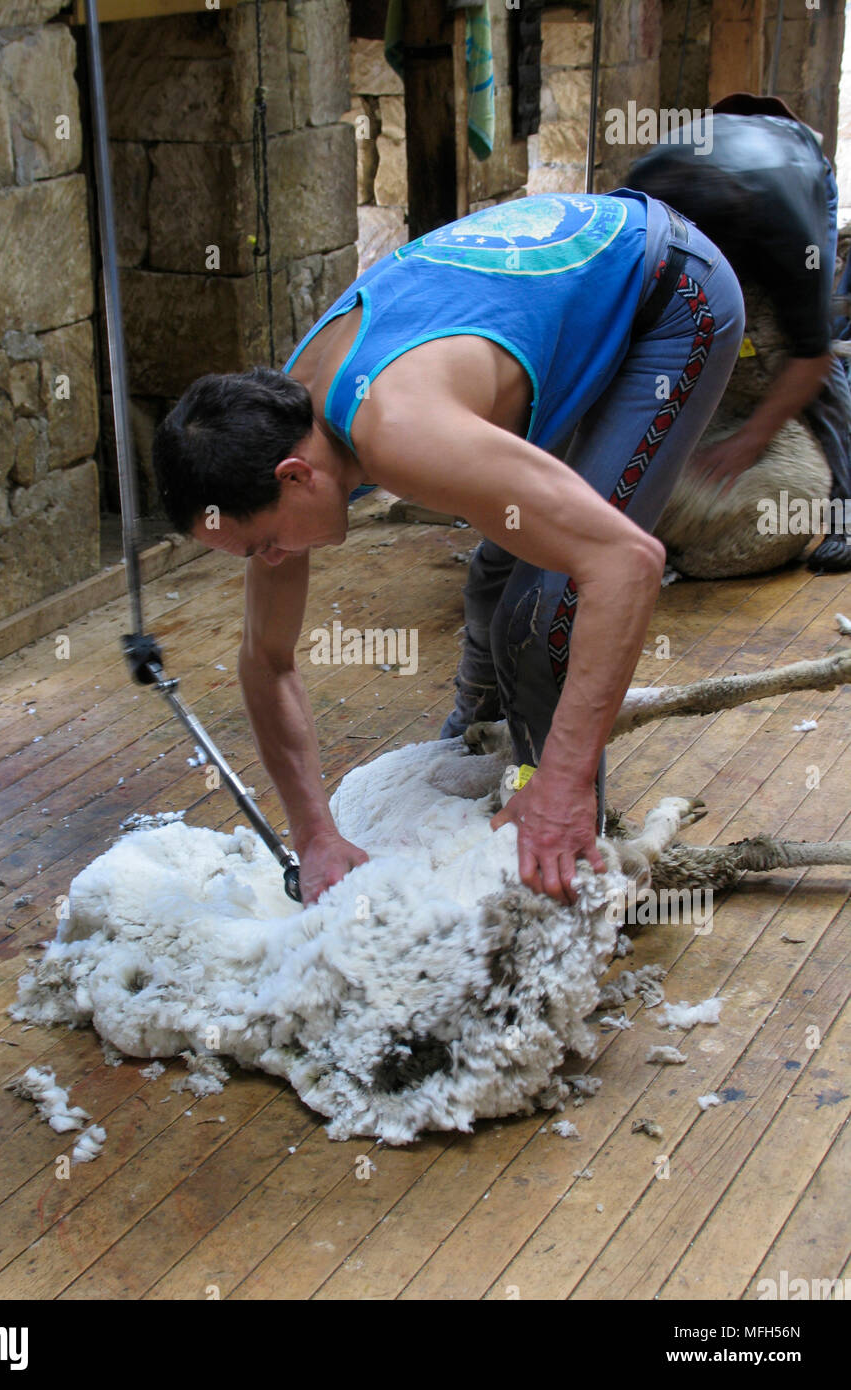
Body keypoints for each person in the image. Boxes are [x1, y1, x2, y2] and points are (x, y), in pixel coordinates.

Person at [153, 189, 744, 906]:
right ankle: (484, 747)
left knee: (542, 613)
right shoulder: (279, 420)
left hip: (669, 294)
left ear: (296, 476)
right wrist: (313, 835)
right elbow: (267, 659)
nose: (272, 563)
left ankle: (564, 838)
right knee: (499, 578)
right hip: (556, 309)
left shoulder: (397, 430)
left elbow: (628, 564)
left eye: (265, 546)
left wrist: (561, 779)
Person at [627, 94, 851, 572]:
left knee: (805, 336)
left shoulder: (789, 233)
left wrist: (751, 439)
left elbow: (813, 356)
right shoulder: (643, 199)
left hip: (795, 164)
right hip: (717, 151)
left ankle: (846, 509)